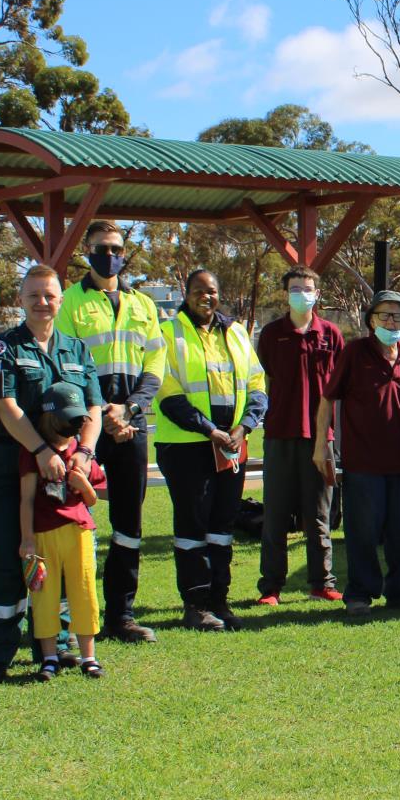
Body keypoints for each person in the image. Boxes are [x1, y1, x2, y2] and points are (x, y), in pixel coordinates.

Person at [0, 264, 103, 683]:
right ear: (20, 299)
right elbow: (5, 406)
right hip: (6, 466)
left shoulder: (76, 349)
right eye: (33, 295)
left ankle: (54, 647)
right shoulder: (4, 348)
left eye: (49, 295)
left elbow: (94, 407)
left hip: (61, 471)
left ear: (60, 300)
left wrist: (85, 453)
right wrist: (41, 450)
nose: (42, 302)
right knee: (9, 558)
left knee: (59, 558)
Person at [54, 220, 166, 644]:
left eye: (116, 249)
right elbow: (66, 363)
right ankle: (66, 621)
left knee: (128, 521)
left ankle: (122, 615)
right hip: (84, 424)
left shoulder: (144, 304)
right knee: (68, 516)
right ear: (87, 250)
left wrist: (129, 408)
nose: (110, 255)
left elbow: (155, 363)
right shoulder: (70, 301)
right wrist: (103, 411)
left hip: (131, 422)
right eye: (101, 248)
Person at [154, 269, 268, 631]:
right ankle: (196, 604)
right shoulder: (167, 333)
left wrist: (243, 427)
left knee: (222, 525)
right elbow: (168, 392)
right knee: (193, 525)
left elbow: (256, 383)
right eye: (198, 290)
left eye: (212, 291)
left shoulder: (236, 332)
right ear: (185, 293)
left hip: (231, 446)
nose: (207, 296)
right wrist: (210, 430)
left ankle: (220, 600)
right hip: (186, 446)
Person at [314, 290, 400, 616]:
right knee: (363, 531)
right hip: (363, 461)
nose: (391, 322)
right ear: (371, 320)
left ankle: (399, 591)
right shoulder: (354, 352)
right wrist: (321, 444)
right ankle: (360, 594)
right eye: (384, 315)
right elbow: (327, 398)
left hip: (399, 460)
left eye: (397, 316)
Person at [256, 265, 345, 605]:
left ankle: (322, 582)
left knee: (319, 515)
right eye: (295, 289)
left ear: (317, 294)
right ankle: (271, 587)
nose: (301, 294)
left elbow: (340, 386)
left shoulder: (331, 335)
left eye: (307, 289)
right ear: (286, 294)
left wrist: (330, 437)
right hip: (279, 436)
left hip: (321, 439)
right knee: (275, 515)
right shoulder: (271, 334)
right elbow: (263, 379)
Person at [19, 382, 110, 682]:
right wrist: (27, 539)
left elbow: (93, 498)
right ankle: (49, 658)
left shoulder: (80, 452)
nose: (75, 426)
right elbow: (26, 499)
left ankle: (89, 657)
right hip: (44, 535)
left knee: (83, 592)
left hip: (79, 532)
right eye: (69, 419)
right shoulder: (34, 453)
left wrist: (82, 483)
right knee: (44, 596)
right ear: (50, 417)